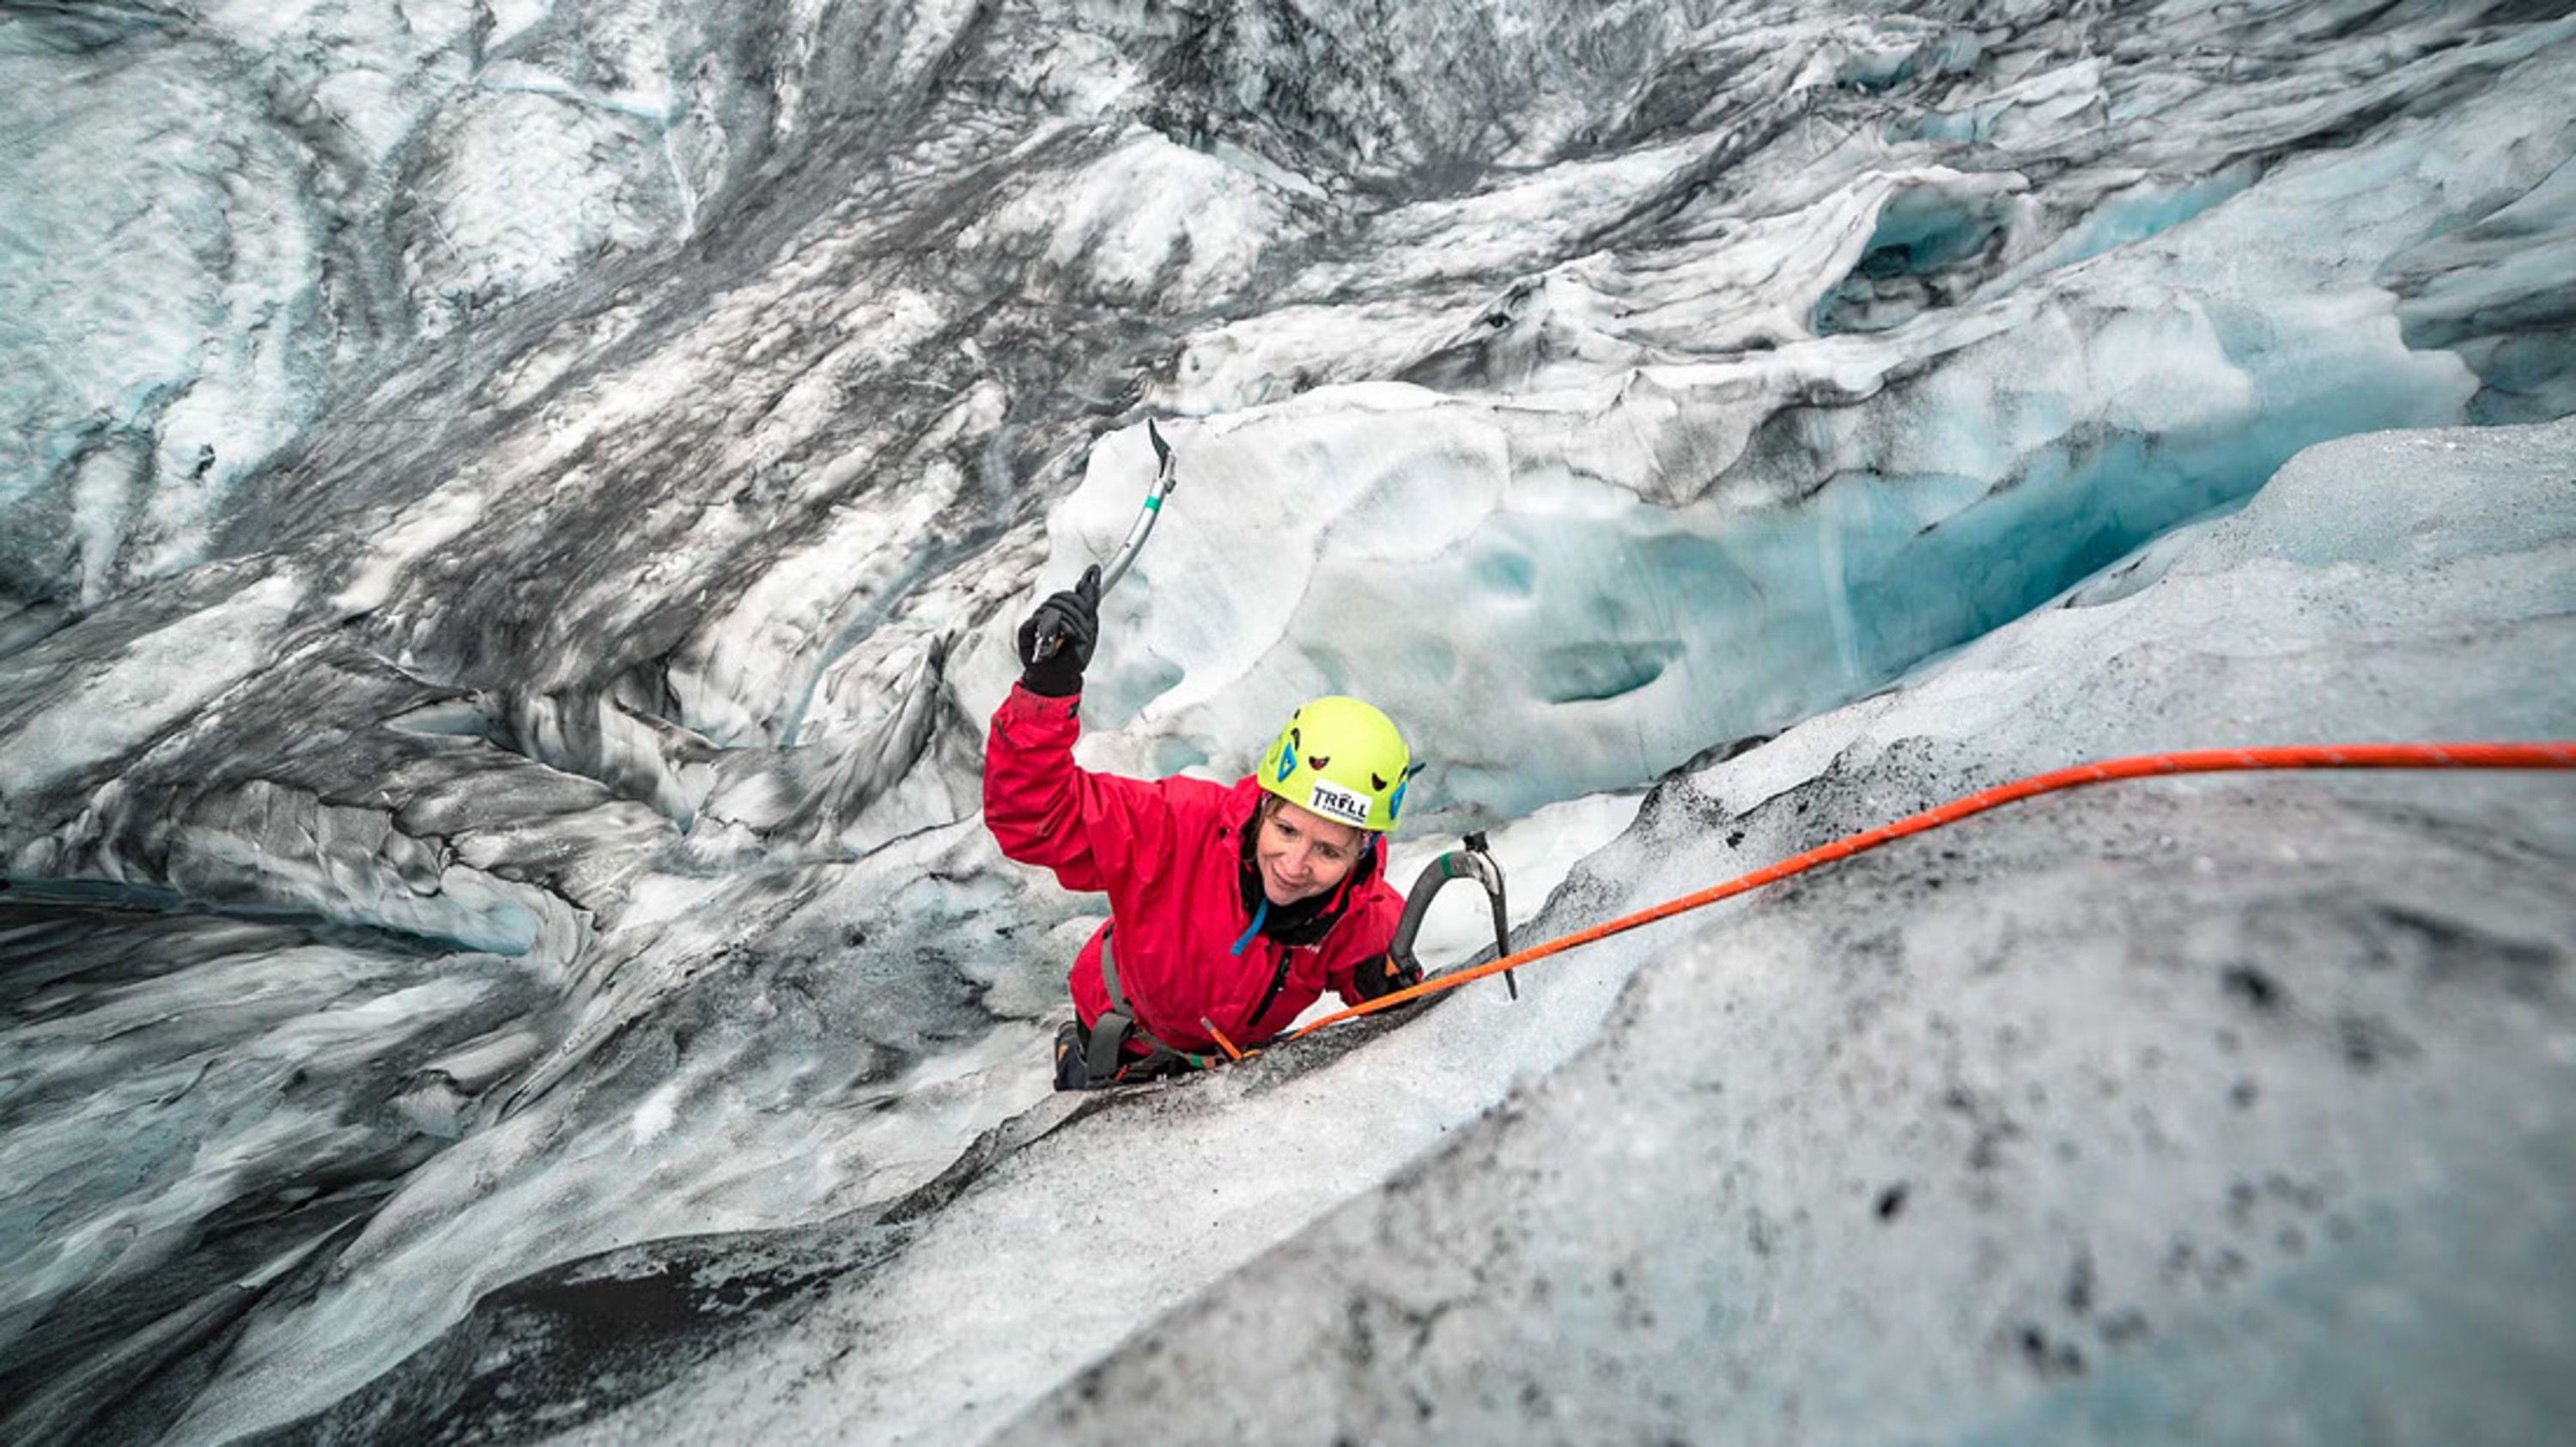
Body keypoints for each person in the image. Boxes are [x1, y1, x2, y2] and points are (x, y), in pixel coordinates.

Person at [984, 566, 1423, 1090]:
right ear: (1264, 804)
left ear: (1364, 850)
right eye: (1285, 830)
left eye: (1328, 852)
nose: (1294, 866)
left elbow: (1390, 997)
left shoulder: (1363, 915)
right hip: (1122, 1041)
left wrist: (1387, 985)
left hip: (1229, 1070)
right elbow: (1035, 818)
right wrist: (1046, 692)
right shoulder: (1176, 829)